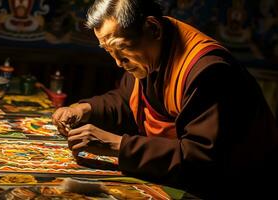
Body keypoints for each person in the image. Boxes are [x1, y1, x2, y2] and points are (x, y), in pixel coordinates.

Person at [52, 0, 278, 199]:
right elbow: (126, 100)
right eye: (109, 51)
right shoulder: (153, 53)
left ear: (153, 28)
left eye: (122, 49)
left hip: (231, 186)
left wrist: (118, 145)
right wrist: (84, 108)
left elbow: (201, 158)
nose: (118, 62)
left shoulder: (207, 71)